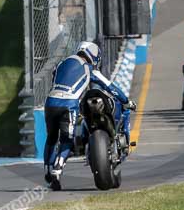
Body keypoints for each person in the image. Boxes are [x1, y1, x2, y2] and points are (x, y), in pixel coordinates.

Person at [43, 41, 136, 190]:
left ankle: (47, 170)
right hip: (69, 104)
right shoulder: (90, 69)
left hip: (50, 102)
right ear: (93, 56)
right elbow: (110, 87)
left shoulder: (61, 63)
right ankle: (57, 169)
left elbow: (56, 78)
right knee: (67, 140)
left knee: (52, 138)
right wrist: (127, 101)